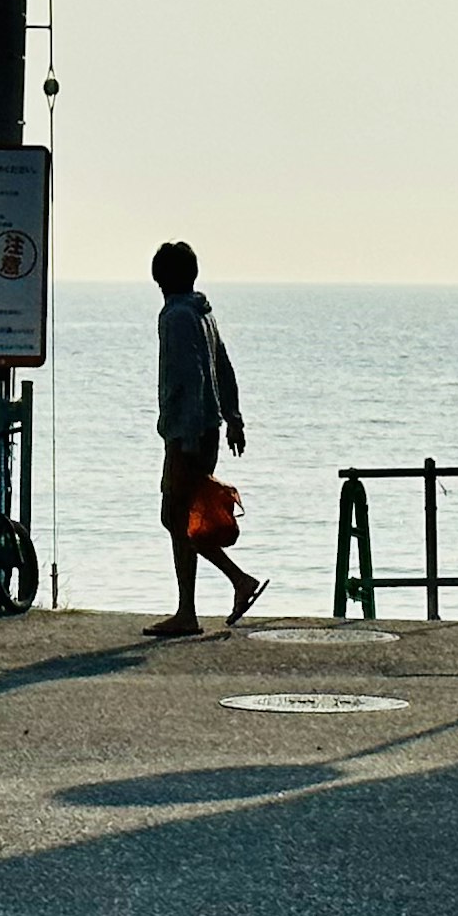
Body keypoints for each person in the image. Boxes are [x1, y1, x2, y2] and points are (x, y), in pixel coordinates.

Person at [148, 239, 265, 637]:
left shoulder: (177, 316)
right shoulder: (203, 313)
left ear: (158, 276)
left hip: (188, 430)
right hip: (204, 427)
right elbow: (223, 366)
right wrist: (233, 417)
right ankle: (214, 594)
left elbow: (191, 377)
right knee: (181, 515)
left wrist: (187, 438)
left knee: (176, 515)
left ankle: (204, 601)